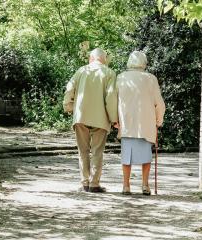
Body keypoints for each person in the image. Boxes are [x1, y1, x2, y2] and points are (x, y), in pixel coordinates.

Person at [63, 48, 118, 193]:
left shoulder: (81, 71)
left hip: (81, 117)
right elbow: (111, 97)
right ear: (104, 59)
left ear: (91, 58)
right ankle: (94, 184)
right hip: (101, 118)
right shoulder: (109, 73)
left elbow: (69, 89)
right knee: (97, 151)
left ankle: (85, 183)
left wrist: (68, 106)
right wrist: (114, 119)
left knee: (83, 151)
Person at [116, 51, 165, 195]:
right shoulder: (150, 79)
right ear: (144, 62)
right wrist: (158, 120)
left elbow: (114, 100)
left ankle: (126, 185)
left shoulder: (121, 77)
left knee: (126, 156)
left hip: (127, 122)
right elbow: (159, 103)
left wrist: (115, 120)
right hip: (146, 122)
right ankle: (145, 185)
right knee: (146, 156)